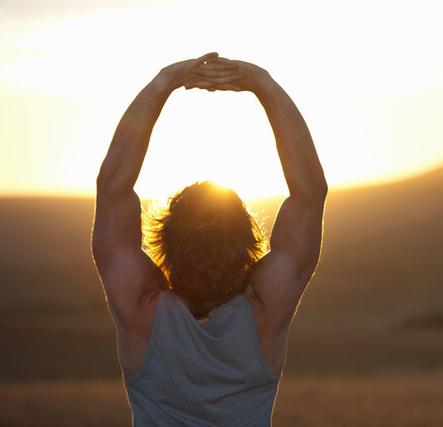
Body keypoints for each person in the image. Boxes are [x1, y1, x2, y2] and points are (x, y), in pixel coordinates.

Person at [91, 51, 328, 426]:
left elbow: (112, 189)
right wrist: (262, 84)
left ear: (165, 244)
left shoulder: (140, 309)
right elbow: (309, 193)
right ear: (249, 244)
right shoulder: (265, 311)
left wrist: (164, 82)